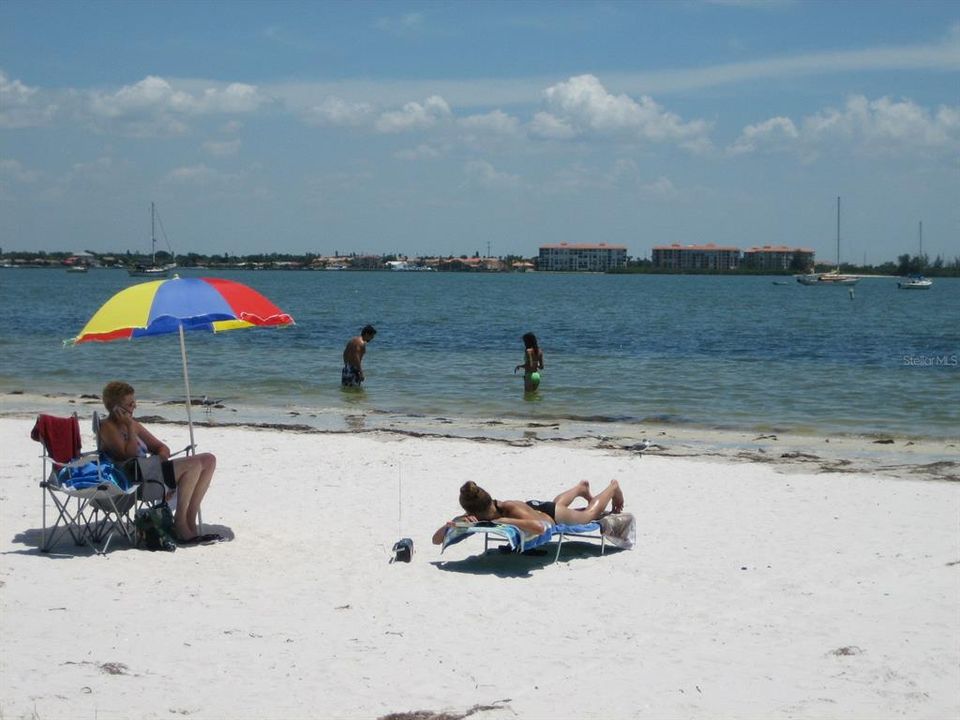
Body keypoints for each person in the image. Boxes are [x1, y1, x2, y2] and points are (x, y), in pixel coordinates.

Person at [97, 381, 219, 546]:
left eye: (134, 402)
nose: (134, 406)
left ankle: (190, 519)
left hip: (150, 470)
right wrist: (129, 428)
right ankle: (180, 523)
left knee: (209, 460)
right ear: (116, 407)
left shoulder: (133, 424)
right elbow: (128, 454)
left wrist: (158, 459)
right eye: (130, 403)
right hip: (133, 478)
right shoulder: (107, 427)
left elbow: (162, 447)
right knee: (194, 465)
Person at [432, 479, 624, 545]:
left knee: (588, 514)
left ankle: (613, 488)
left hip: (551, 517)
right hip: (534, 509)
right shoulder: (474, 515)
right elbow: (436, 539)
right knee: (558, 503)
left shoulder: (508, 508)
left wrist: (505, 521)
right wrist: (451, 525)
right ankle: (581, 488)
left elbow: (540, 528)